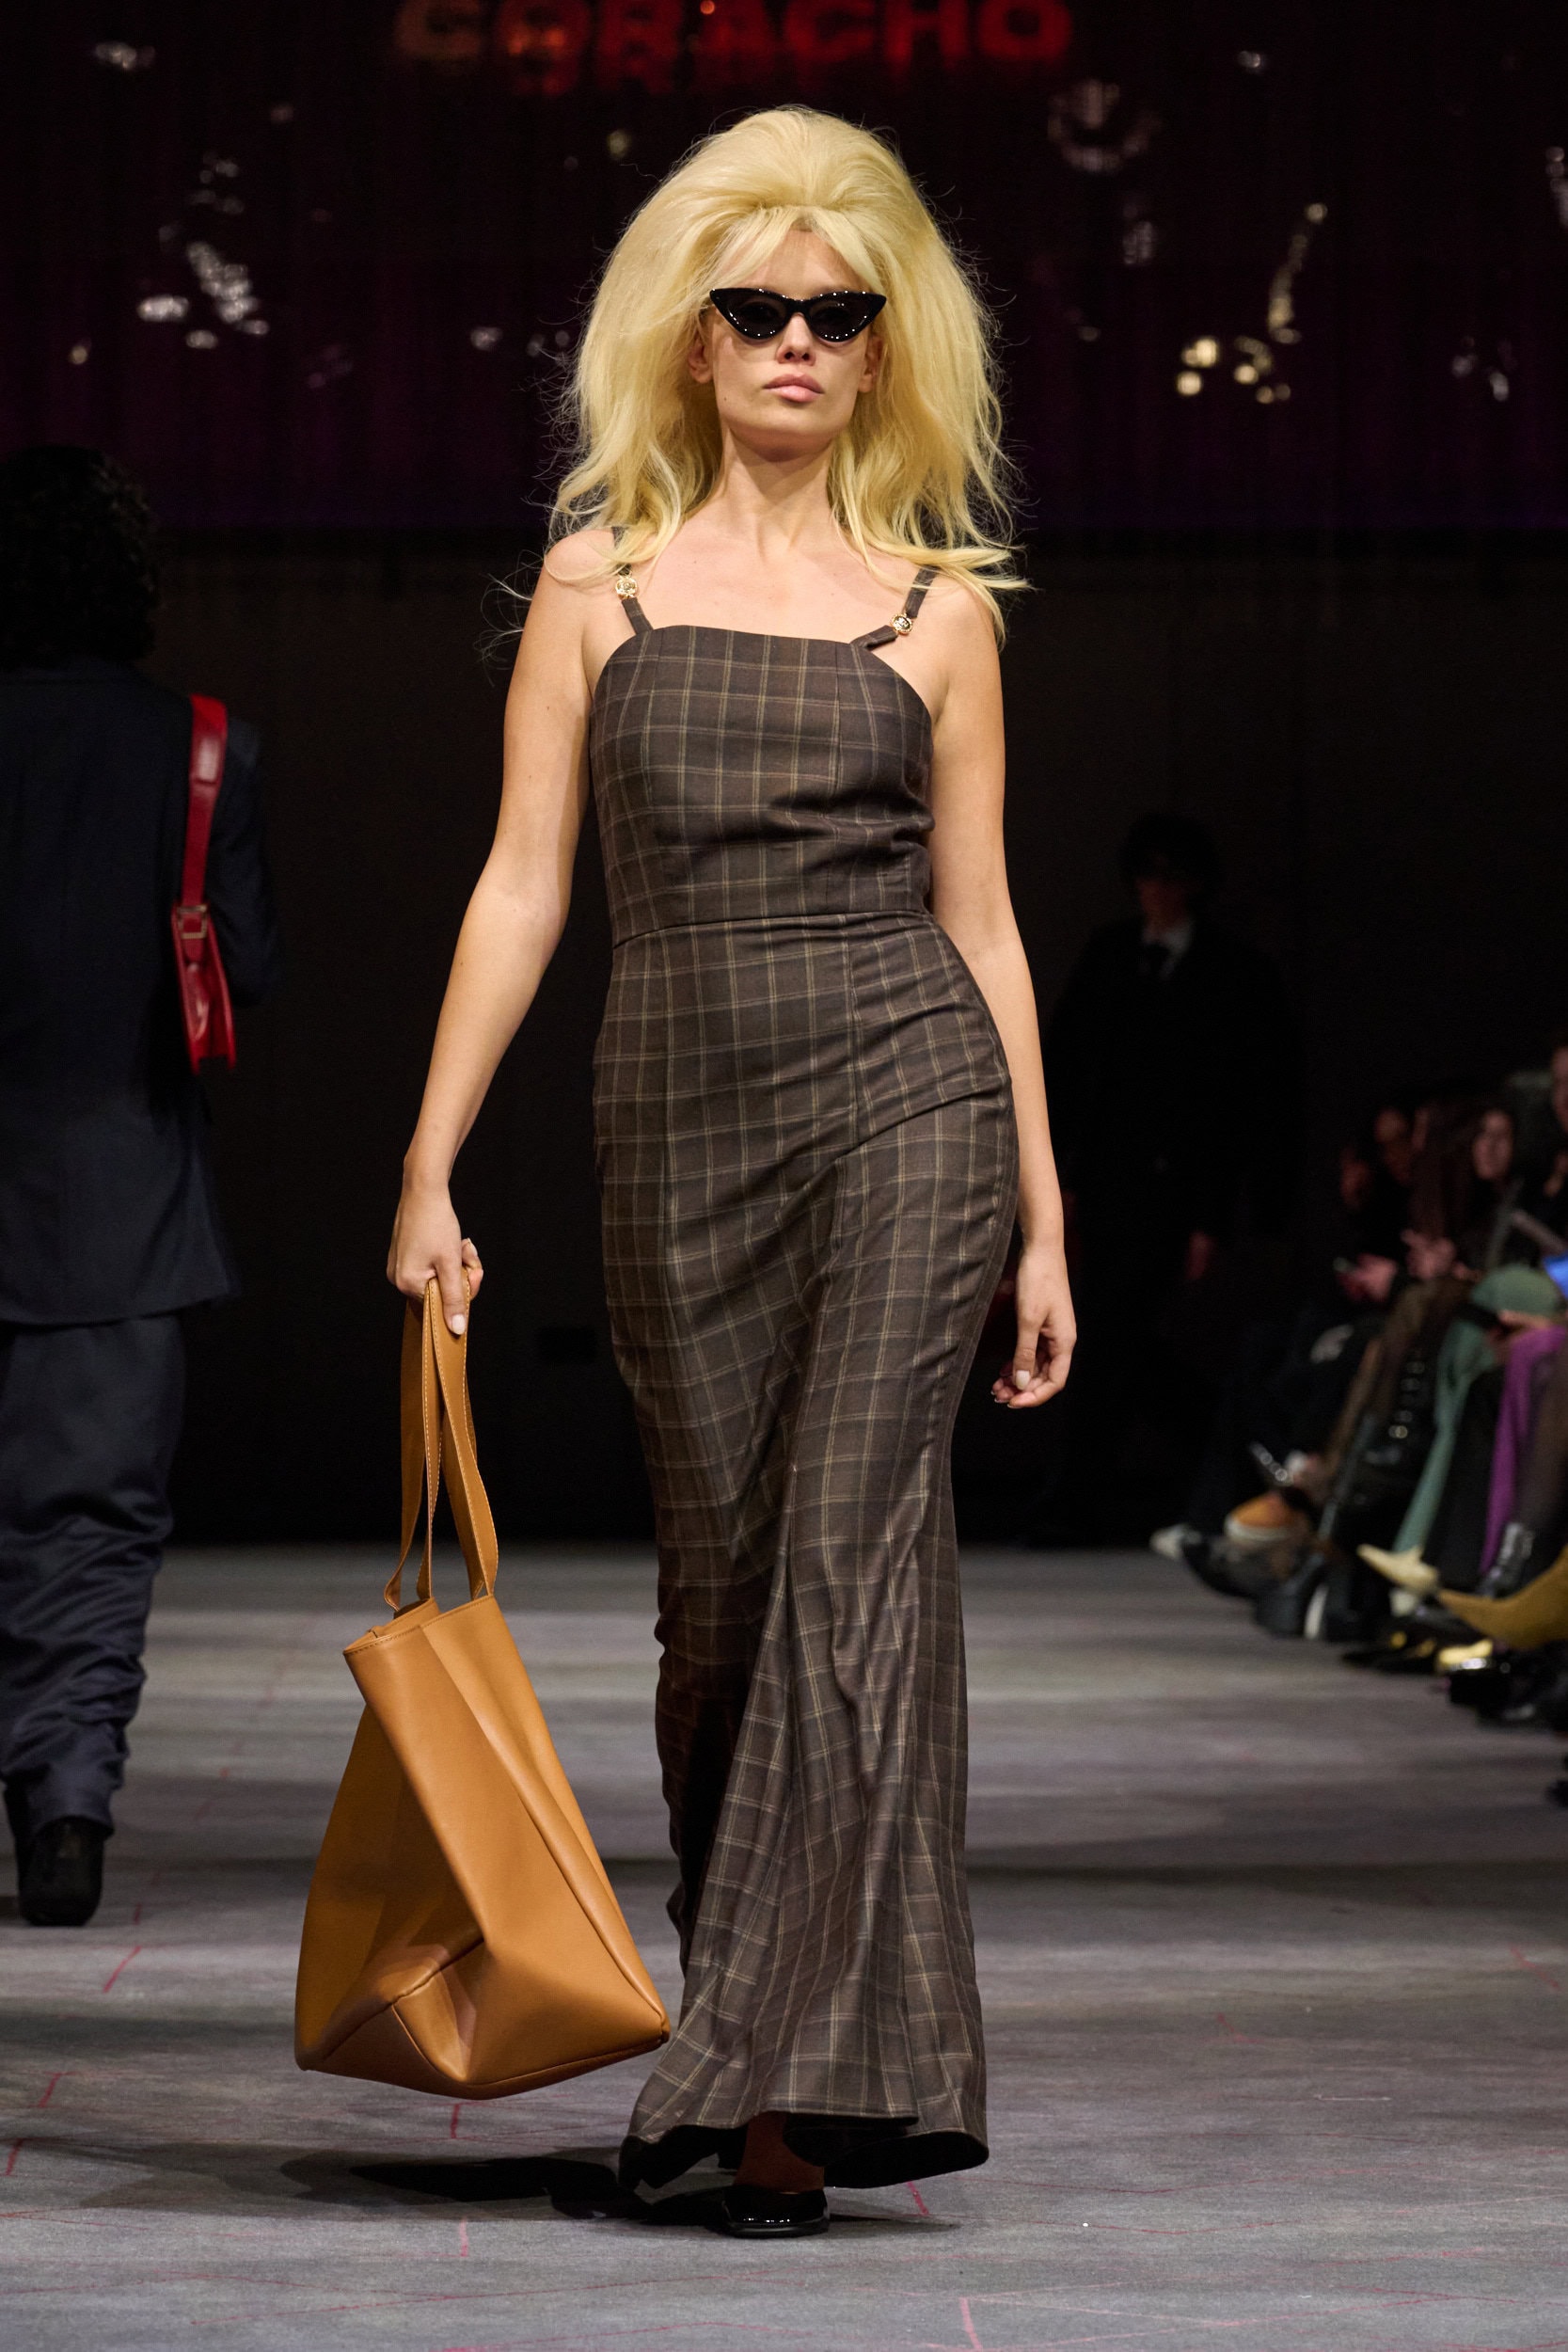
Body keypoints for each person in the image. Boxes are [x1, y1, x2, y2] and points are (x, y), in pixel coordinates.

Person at [388, 106, 1073, 2237]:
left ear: (882, 347)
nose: (795, 340)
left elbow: (984, 928)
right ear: (691, 339)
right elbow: (523, 885)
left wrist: (1042, 1214)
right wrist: (428, 1165)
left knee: (855, 1564)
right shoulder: (595, 586)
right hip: (681, 1123)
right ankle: (763, 2032)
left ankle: (771, 2090)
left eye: (835, 312)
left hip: (908, 1099)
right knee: (722, 1608)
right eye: (757, 306)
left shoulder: (940, 616)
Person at [0, 446, 281, 1926]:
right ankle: (66, 1809)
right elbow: (245, 975)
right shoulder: (201, 747)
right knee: (92, 1528)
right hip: (123, 1198)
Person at [1041, 808, 1301, 1537]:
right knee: (1111, 1336)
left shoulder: (1231, 973)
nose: (1156, 889)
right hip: (1105, 1181)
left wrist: (1214, 1217)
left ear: (1194, 884)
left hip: (1175, 1191)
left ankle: (1078, 1498)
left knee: (1113, 1335)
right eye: (1146, 875)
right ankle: (1220, 1450)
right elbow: (1068, 1069)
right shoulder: (1110, 955)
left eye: (1170, 876)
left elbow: (1242, 1102)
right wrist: (1058, 1178)